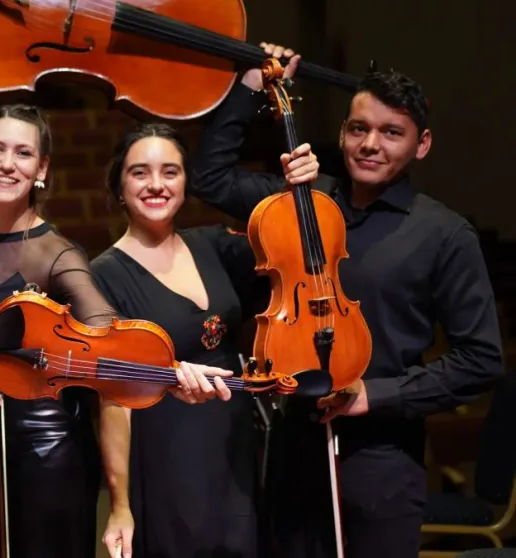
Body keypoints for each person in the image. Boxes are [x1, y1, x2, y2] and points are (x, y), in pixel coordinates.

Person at [188, 43, 505, 558]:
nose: (370, 144)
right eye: (359, 129)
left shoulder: (444, 235)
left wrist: (374, 395)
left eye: (391, 133)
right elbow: (210, 179)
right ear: (341, 133)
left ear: (422, 144)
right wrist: (250, 85)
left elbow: (481, 360)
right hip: (294, 448)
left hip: (382, 459)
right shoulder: (302, 198)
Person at [0, 104, 234, 558]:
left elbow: (109, 340)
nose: (7, 163)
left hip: (49, 450)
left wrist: (169, 375)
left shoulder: (57, 254)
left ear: (41, 169)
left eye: (23, 153)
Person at [90, 122, 318, 558]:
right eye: (139, 173)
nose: (156, 185)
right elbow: (114, 402)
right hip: (168, 453)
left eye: (170, 172)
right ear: (119, 186)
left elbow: (293, 243)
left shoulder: (213, 244)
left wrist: (297, 188)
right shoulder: (102, 276)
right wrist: (119, 507)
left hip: (235, 443)